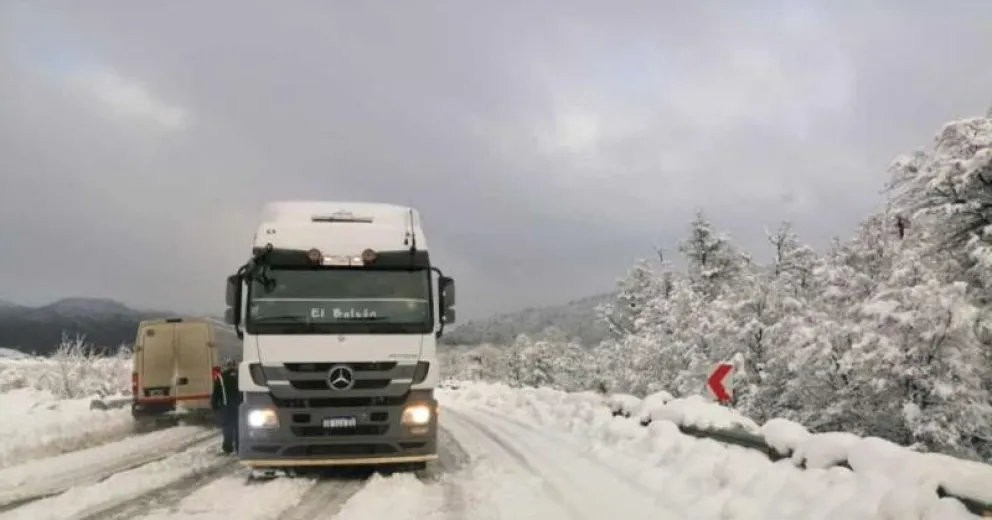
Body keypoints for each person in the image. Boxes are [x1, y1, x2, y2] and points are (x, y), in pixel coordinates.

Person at [211, 359, 241, 454]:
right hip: (240, 407)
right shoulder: (241, 376)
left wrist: (215, 406)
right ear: (235, 365)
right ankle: (239, 448)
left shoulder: (220, 377)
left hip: (226, 407)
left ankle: (227, 448)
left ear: (226, 366)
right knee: (239, 428)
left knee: (227, 428)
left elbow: (216, 394)